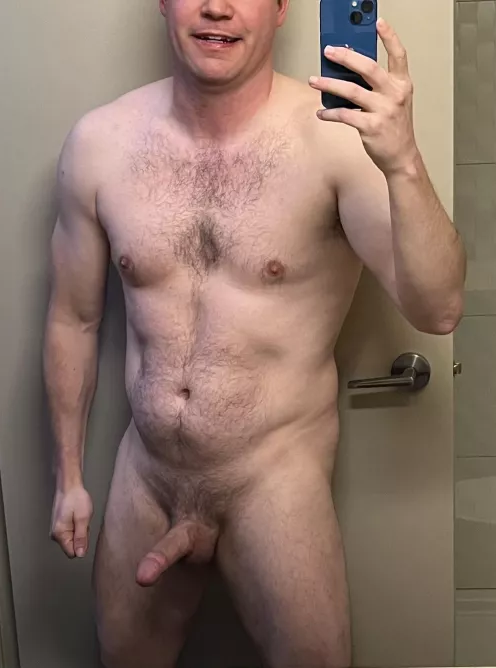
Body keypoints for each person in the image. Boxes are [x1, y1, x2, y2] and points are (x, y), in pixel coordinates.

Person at [44, 1, 466, 667]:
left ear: (280, 8)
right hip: (146, 476)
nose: (217, 6)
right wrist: (68, 475)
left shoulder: (338, 140)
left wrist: (404, 161)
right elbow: (74, 319)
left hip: (273, 482)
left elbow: (439, 309)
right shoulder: (100, 143)